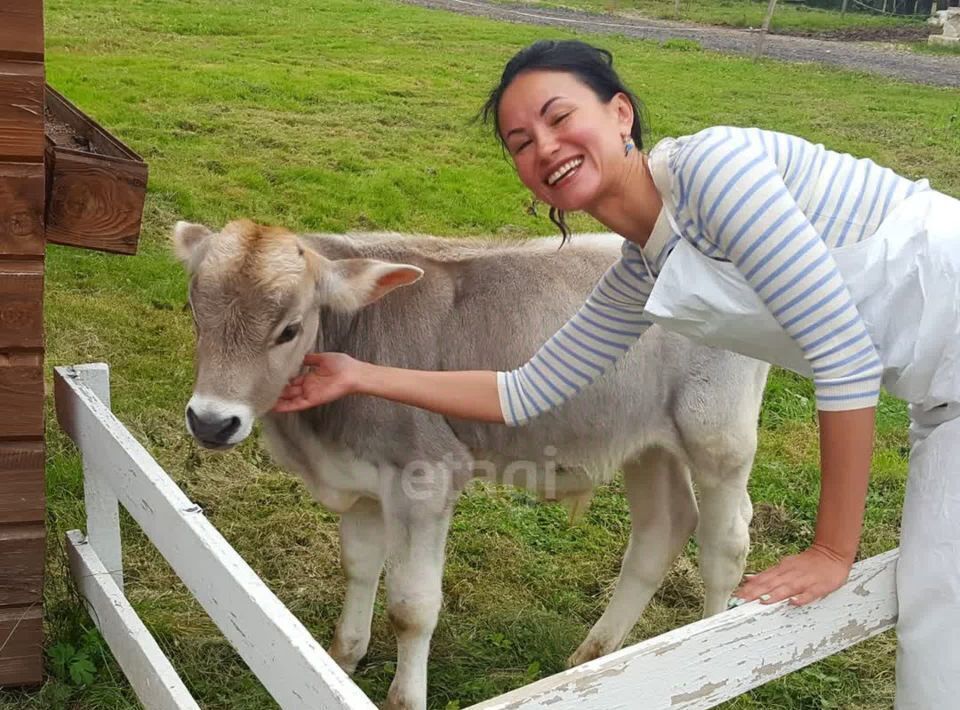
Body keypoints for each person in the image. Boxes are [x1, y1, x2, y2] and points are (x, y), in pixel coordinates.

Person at [273, 40, 960, 707]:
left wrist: (832, 549)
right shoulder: (643, 267)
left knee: (940, 623)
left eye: (558, 116)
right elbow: (522, 392)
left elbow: (843, 353)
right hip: (939, 395)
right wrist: (361, 374)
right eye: (519, 141)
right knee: (939, 615)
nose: (543, 147)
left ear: (621, 114)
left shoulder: (713, 170)